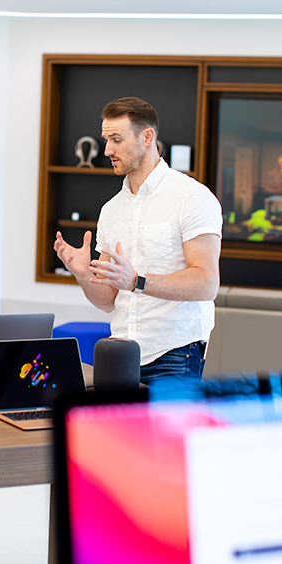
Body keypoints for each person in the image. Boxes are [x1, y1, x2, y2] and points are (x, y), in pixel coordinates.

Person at [53, 97, 222, 384]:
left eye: (117, 140)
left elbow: (206, 283)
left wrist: (137, 281)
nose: (107, 150)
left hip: (174, 353)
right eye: (106, 140)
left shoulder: (191, 197)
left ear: (147, 137)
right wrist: (82, 274)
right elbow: (107, 300)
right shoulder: (111, 210)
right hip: (120, 352)